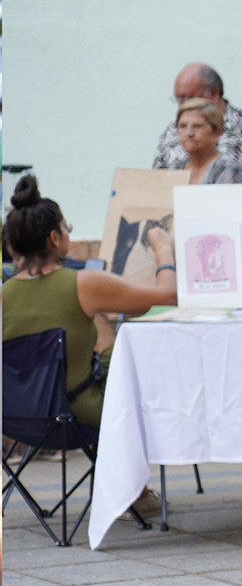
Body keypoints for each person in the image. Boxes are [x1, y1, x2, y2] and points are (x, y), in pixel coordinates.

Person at [3, 175, 178, 516]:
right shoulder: (83, 282)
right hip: (77, 413)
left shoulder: (3, 292)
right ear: (55, 237)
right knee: (122, 351)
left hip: (14, 419)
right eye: (66, 227)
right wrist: (162, 248)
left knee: (89, 325)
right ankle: (135, 493)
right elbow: (166, 295)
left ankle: (134, 493)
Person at [153, 62, 242, 183]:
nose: (182, 105)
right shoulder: (172, 131)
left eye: (187, 98)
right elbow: (158, 183)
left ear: (214, 93)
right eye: (178, 99)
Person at [175, 98, 242, 184]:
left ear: (216, 133)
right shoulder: (177, 169)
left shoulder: (226, 168)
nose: (189, 133)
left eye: (197, 126)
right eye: (183, 126)